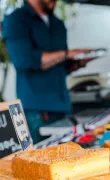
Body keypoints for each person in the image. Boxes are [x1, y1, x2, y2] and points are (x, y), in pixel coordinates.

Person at [3, 0, 91, 144]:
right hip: (37, 111)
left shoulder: (58, 24)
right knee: (40, 161)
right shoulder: (16, 20)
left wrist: (79, 61)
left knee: (68, 159)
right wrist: (67, 54)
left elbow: (62, 67)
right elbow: (23, 61)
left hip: (63, 106)